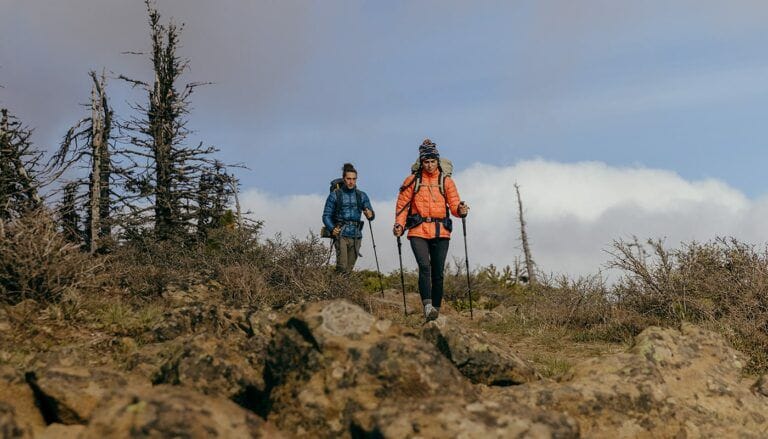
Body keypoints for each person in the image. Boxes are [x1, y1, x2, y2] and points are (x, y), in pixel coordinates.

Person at [393, 139, 469, 321]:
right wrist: (399, 225)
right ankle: (427, 307)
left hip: (441, 231)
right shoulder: (412, 181)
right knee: (424, 267)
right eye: (426, 161)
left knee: (438, 272)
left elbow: (454, 205)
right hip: (418, 230)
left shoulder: (446, 181)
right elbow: (402, 206)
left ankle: (435, 310)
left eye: (432, 161)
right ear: (421, 162)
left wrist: (461, 210)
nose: (429, 165)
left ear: (437, 161)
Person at [322, 163, 375, 272]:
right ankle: (338, 288)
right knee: (342, 266)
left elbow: (371, 214)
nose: (351, 181)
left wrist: (370, 214)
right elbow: (326, 215)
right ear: (344, 179)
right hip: (341, 234)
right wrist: (332, 228)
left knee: (349, 269)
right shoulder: (335, 195)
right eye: (348, 178)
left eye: (354, 179)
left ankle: (342, 288)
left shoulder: (362, 195)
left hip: (356, 235)